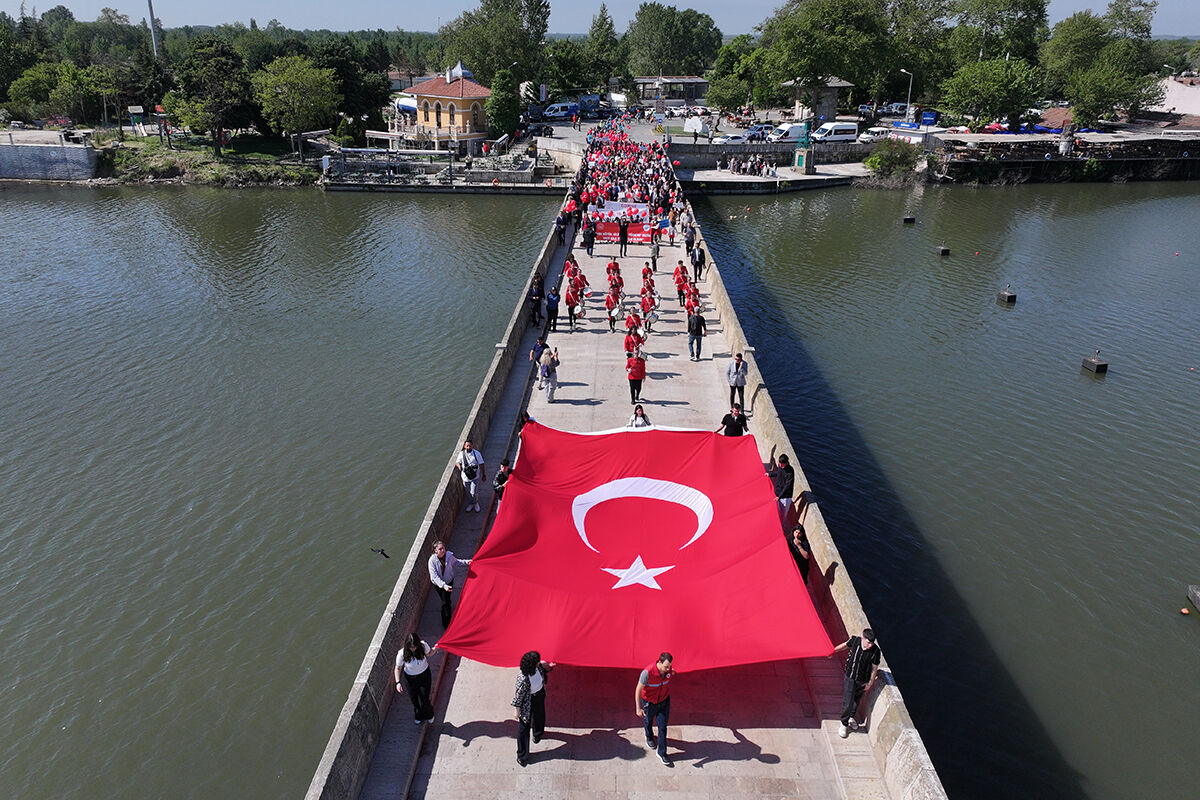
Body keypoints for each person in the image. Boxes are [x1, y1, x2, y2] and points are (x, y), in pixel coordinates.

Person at [831, 629, 881, 738]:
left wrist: (870, 682)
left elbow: (874, 668)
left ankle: (851, 717)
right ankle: (844, 723)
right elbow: (845, 645)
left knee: (856, 699)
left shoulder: (876, 652)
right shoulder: (855, 641)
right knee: (848, 700)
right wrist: (833, 651)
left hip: (863, 679)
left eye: (872, 642)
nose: (870, 645)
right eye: (868, 642)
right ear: (863, 638)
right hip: (850, 677)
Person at [511, 650, 555, 766]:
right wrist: (517, 710)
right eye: (537, 662)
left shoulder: (538, 667)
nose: (539, 663)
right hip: (527, 702)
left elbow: (543, 670)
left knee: (540, 714)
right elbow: (518, 695)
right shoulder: (523, 678)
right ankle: (522, 755)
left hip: (539, 695)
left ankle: (538, 733)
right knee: (523, 728)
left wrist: (548, 667)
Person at [635, 652, 675, 766]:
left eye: (669, 666)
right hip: (649, 702)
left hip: (664, 701)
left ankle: (662, 753)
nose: (668, 669)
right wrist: (638, 708)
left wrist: (672, 671)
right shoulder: (647, 673)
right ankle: (649, 736)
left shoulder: (668, 669)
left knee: (663, 727)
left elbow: (670, 672)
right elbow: (638, 690)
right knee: (648, 720)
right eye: (666, 666)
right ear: (659, 662)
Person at [394, 633, 437, 724]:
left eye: (415, 646)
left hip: (424, 676)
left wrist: (436, 647)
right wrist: (398, 682)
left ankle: (429, 714)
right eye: (411, 647)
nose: (413, 649)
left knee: (424, 699)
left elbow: (429, 653)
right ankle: (418, 715)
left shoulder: (423, 646)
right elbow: (398, 668)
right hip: (410, 679)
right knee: (414, 700)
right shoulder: (402, 653)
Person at [428, 540, 471, 629]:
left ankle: (447, 615)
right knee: (445, 602)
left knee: (446, 600)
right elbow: (434, 577)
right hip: (439, 585)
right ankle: (446, 624)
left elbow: (456, 562)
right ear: (435, 551)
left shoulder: (448, 555)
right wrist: (444, 586)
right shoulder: (432, 561)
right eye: (440, 549)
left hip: (449, 581)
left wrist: (467, 562)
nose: (443, 550)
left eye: (443, 548)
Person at [456, 440, 485, 512]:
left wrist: (484, 474)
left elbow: (481, 464)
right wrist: (459, 466)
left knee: (473, 492)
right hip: (465, 477)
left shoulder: (477, 454)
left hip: (475, 476)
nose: (468, 447)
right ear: (464, 446)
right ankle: (471, 503)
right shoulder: (461, 454)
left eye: (470, 446)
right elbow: (457, 462)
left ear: (472, 446)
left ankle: (476, 503)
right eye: (467, 446)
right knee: (468, 492)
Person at [768, 454, 796, 527]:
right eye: (780, 464)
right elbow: (778, 473)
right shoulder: (780, 467)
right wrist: (769, 474)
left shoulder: (790, 472)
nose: (780, 465)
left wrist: (779, 496)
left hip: (785, 497)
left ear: (786, 463)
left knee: (783, 514)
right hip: (777, 493)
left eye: (782, 464)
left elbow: (787, 486)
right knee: (776, 510)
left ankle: (781, 526)